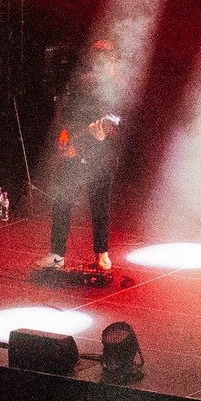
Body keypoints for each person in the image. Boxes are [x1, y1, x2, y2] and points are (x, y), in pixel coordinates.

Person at [46, 40, 122, 271]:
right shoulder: (82, 82)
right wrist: (64, 133)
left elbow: (122, 118)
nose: (98, 59)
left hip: (102, 154)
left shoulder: (118, 85)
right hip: (75, 151)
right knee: (63, 200)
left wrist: (106, 128)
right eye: (95, 54)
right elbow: (67, 111)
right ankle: (57, 254)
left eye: (103, 55)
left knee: (100, 206)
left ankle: (102, 253)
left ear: (112, 58)